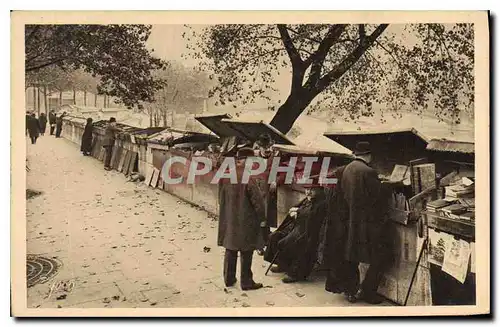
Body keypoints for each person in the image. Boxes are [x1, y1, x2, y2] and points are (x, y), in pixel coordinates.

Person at [323, 141, 393, 305]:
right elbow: (378, 196)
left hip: (350, 221)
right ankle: (368, 292)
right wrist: (389, 185)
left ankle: (351, 290)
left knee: (351, 256)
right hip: (367, 224)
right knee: (380, 256)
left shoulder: (347, 168)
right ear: (368, 156)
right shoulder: (368, 171)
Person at [217, 147, 267, 291]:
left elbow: (221, 198)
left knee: (230, 248)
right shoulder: (248, 177)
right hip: (246, 220)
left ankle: (229, 279)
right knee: (247, 250)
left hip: (230, 219)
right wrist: (262, 218)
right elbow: (258, 202)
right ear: (245, 160)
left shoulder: (226, 175)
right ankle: (246, 282)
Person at [264, 176, 327, 283]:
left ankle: (295, 274)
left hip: (308, 233)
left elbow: (313, 219)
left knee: (287, 242)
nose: (308, 192)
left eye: (312, 190)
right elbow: (299, 208)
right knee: (274, 237)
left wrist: (297, 213)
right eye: (307, 189)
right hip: (297, 228)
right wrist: (295, 210)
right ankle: (282, 264)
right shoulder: (308, 199)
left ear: (318, 190)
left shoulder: (321, 203)